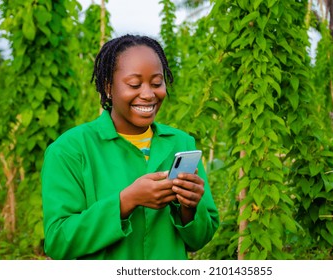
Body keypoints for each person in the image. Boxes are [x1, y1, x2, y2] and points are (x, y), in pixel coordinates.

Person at [41, 34, 219, 260]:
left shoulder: (180, 143)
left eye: (157, 83)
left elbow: (200, 239)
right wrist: (127, 201)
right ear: (108, 87)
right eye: (134, 84)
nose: (148, 94)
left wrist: (190, 208)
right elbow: (57, 241)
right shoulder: (70, 150)